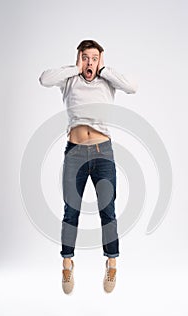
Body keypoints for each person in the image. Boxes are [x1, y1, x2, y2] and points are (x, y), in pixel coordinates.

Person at [39, 39, 137, 294]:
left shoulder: (106, 81)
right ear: (78, 58)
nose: (89, 62)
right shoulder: (70, 80)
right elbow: (44, 79)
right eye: (85, 57)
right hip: (74, 153)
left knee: (108, 210)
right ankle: (67, 263)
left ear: (101, 60)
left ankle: (112, 262)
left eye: (94, 58)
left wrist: (104, 69)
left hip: (103, 153)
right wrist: (75, 67)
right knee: (71, 211)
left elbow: (132, 87)